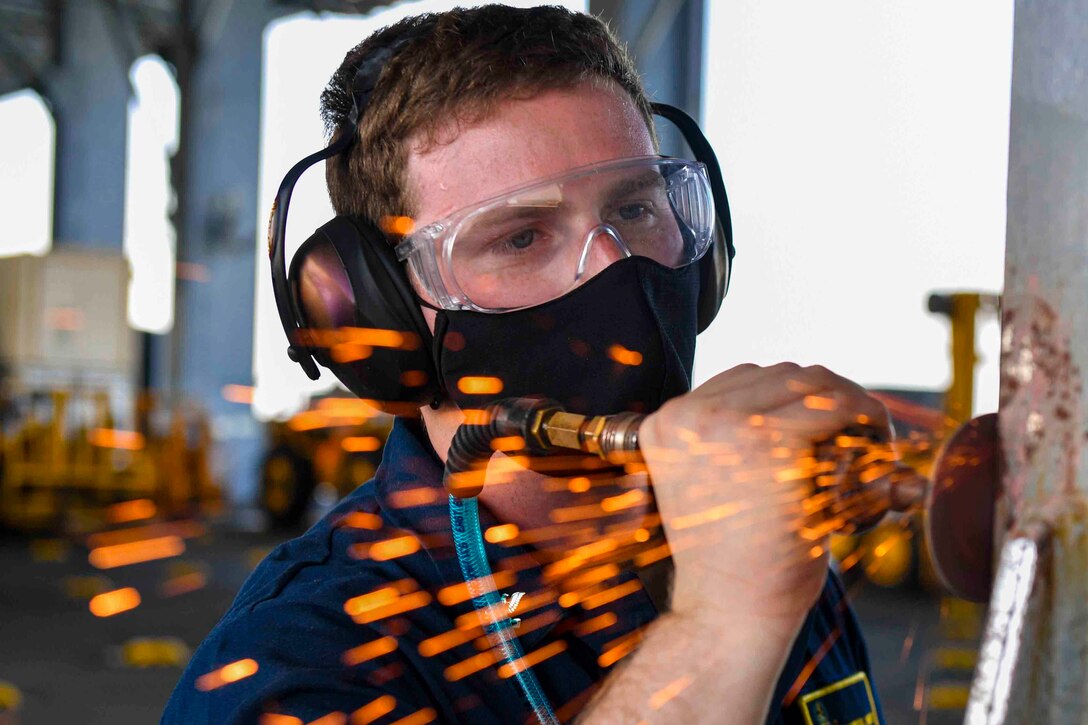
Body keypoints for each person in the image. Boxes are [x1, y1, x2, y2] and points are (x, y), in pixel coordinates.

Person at [165, 6, 912, 723]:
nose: (615, 267)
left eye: (637, 208)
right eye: (521, 238)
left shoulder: (759, 551)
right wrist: (716, 634)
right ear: (380, 320)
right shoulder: (303, 666)